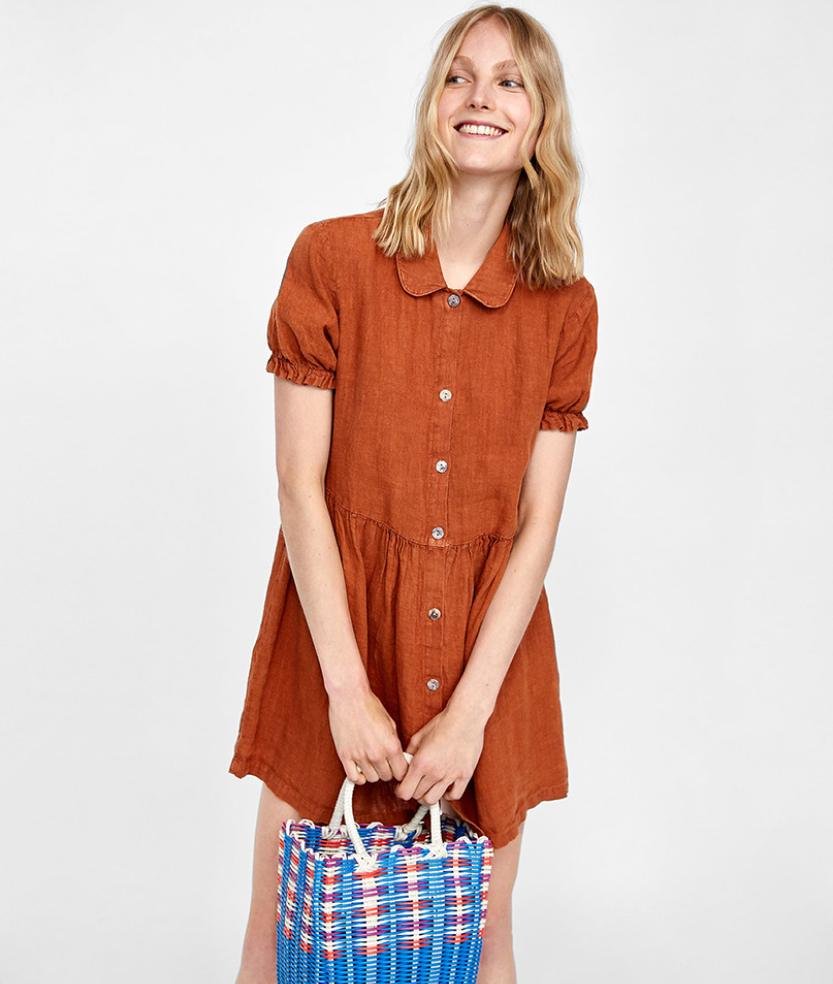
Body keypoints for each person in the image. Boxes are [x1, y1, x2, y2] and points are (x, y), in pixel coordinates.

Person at [230, 5, 599, 982]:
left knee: (480, 939)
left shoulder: (566, 306)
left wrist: (471, 713)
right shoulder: (332, 260)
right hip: (335, 638)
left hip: (489, 654)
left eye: (510, 81)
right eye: (459, 76)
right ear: (434, 103)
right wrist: (346, 694)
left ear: (541, 120)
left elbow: (537, 525)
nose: (481, 97)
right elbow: (299, 487)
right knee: (279, 937)